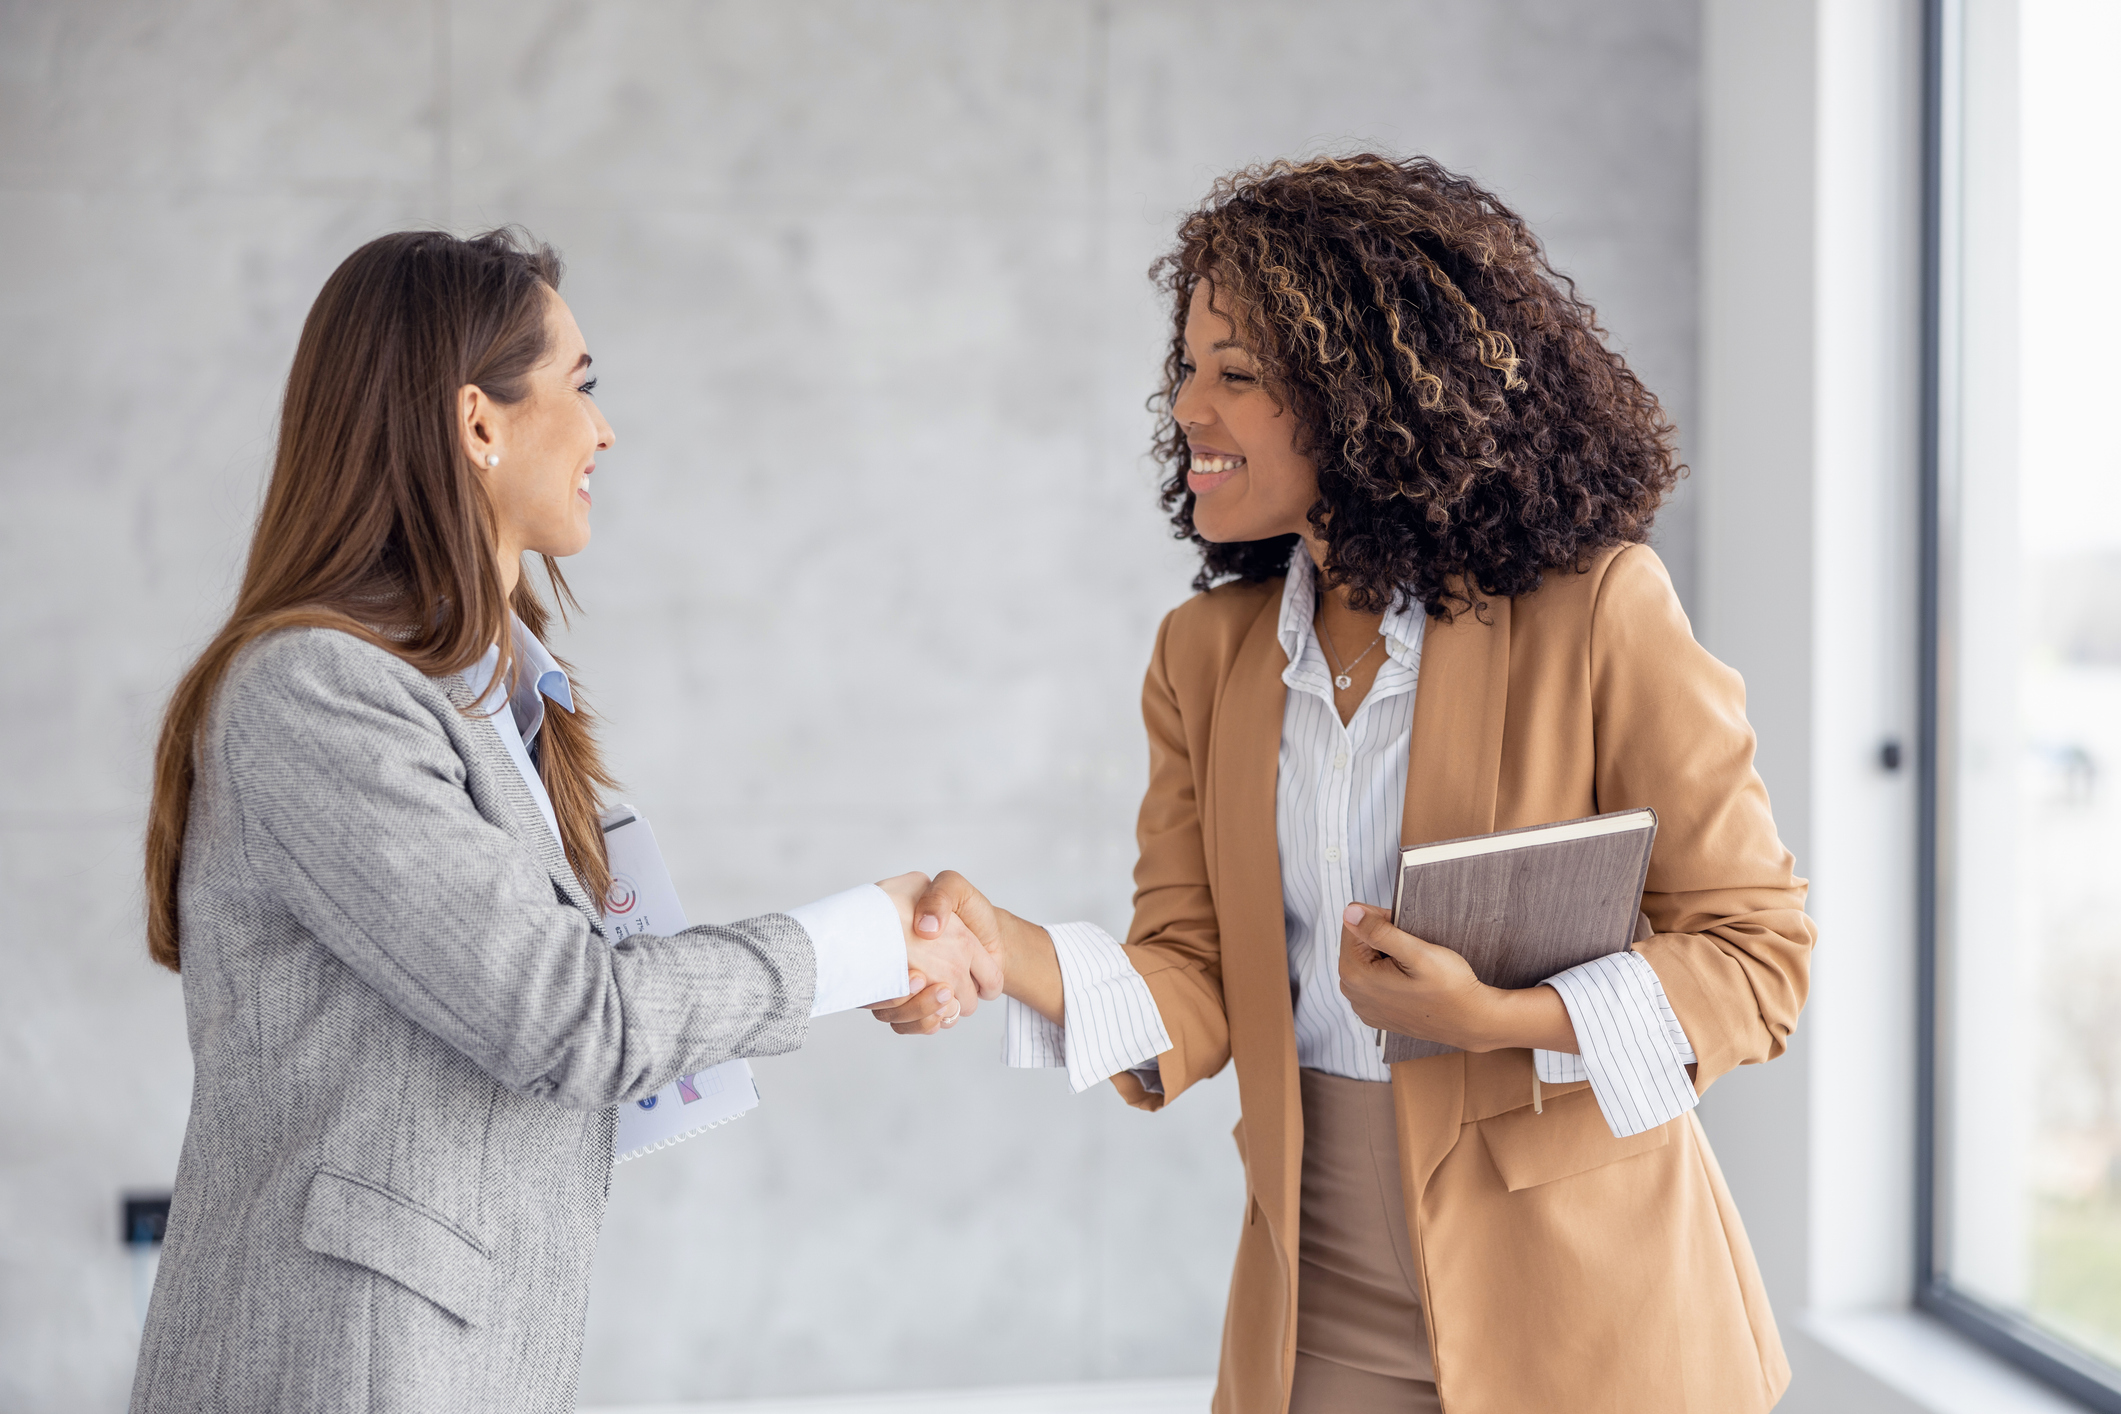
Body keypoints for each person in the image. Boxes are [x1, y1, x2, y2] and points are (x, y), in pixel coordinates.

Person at [878, 155, 1815, 1414]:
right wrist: (1007, 950)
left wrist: (1504, 1019)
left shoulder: (1596, 612)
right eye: (1186, 366)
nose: (1187, 408)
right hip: (1313, 1300)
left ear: (1368, 398)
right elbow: (1200, 981)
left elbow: (1758, 956)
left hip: (1591, 1308)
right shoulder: (1203, 658)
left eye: (1238, 374)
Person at [131, 229, 994, 1414]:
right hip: (345, 1369)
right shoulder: (314, 694)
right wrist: (860, 939)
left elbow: (579, 1006)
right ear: (477, 422)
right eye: (581, 387)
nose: (604, 430)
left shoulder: (502, 700)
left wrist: (874, 957)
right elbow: (567, 1012)